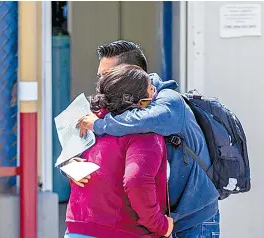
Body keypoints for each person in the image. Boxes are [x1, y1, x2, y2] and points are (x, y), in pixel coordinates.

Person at [77, 40, 221, 238]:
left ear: (132, 71)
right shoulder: (115, 113)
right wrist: (72, 167)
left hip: (193, 218)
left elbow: (147, 120)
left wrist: (99, 124)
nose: (101, 83)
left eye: (107, 75)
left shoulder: (168, 100)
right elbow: (86, 152)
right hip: (157, 220)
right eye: (100, 76)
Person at [65, 64, 174, 238]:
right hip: (122, 230)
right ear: (138, 100)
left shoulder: (90, 122)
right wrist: (160, 225)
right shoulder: (144, 132)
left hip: (76, 228)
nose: (155, 91)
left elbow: (70, 163)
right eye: (150, 88)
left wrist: (69, 165)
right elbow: (136, 181)